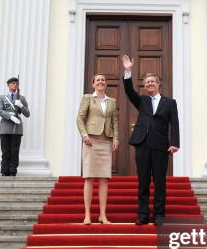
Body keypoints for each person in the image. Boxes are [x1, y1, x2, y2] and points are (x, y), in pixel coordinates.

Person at [121, 55, 180, 226]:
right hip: (143, 145)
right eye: (147, 82)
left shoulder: (170, 103)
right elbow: (129, 92)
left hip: (161, 147)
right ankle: (143, 214)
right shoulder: (142, 101)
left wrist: (174, 142)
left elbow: (174, 123)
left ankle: (159, 215)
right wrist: (128, 71)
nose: (149, 84)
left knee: (160, 182)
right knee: (143, 182)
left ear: (158, 84)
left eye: (152, 82)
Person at [76, 74, 119, 225]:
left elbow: (115, 122)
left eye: (103, 80)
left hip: (106, 141)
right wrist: (84, 135)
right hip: (91, 141)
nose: (101, 82)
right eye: (98, 80)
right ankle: (87, 215)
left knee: (104, 178)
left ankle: (102, 215)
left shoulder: (111, 101)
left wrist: (115, 139)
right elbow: (80, 118)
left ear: (106, 84)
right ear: (93, 83)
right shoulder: (88, 98)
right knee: (88, 177)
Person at [0, 77, 30, 176]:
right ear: (9, 85)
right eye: (13, 83)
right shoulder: (2, 97)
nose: (15, 85)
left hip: (17, 128)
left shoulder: (21, 98)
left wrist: (21, 106)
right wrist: (9, 116)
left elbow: (27, 114)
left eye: (17, 84)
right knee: (5, 150)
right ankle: (4, 170)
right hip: (5, 127)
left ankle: (13, 170)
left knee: (15, 151)